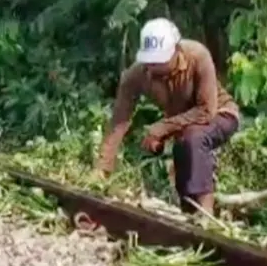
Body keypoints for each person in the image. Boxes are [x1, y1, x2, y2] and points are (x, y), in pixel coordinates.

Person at [96, 18, 241, 216]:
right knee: (183, 143)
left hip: (221, 114)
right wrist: (102, 168)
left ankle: (205, 210)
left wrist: (162, 127)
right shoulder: (135, 75)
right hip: (182, 127)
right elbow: (119, 123)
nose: (155, 68)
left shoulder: (197, 56)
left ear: (177, 51)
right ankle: (189, 211)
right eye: (151, 63)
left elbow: (207, 110)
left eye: (161, 61)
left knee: (193, 136)